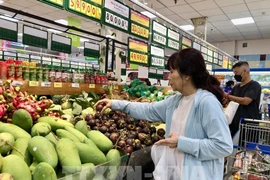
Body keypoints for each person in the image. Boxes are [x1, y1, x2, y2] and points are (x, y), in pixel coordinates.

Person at [95, 48, 233, 180]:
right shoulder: (175, 101)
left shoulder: (207, 103)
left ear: (187, 75)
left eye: (172, 71)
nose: (168, 76)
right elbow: (147, 110)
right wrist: (115, 104)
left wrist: (182, 142)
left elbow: (223, 146)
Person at [224, 61, 261, 139]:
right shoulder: (236, 87)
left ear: (244, 72)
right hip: (234, 124)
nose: (235, 75)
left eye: (236, 72)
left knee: (247, 149)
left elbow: (246, 101)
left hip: (249, 126)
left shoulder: (254, 86)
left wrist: (228, 96)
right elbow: (229, 101)